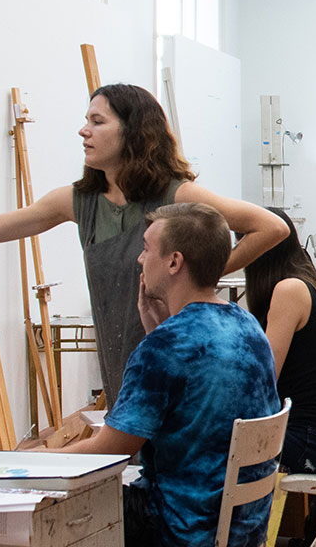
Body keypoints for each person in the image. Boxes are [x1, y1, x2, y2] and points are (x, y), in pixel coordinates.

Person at [0, 83, 289, 406]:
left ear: (132, 132)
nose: (83, 131)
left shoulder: (177, 195)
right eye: (85, 121)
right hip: (121, 364)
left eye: (97, 121)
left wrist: (203, 276)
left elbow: (270, 227)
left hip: (174, 363)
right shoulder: (77, 201)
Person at [59, 202, 280, 547]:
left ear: (174, 262)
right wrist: (156, 330)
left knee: (60, 510)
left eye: (146, 249)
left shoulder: (166, 347)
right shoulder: (247, 325)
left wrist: (31, 458)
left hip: (180, 529)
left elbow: (112, 450)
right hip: (244, 528)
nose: (139, 259)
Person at [244, 207, 316, 475]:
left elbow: (266, 377)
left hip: (313, 439)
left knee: (210, 448)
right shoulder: (308, 283)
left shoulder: (288, 289)